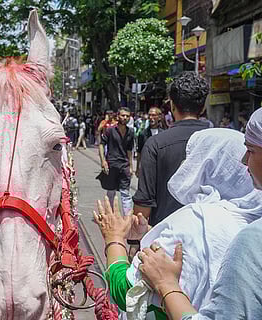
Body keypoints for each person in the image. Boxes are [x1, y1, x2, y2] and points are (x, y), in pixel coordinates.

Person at [94, 128, 262, 320]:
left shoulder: (197, 220)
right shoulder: (254, 223)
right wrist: (148, 234)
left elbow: (126, 293)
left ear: (208, 165)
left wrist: (114, 238)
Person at [137, 108, 262, 320]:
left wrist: (166, 285)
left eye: (250, 150)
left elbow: (129, 288)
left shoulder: (252, 239)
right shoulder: (250, 219)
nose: (243, 161)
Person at [133, 72, 210, 227]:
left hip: (165, 237)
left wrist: (134, 241)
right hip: (212, 237)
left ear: (172, 106)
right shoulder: (226, 142)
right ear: (203, 107)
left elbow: (144, 203)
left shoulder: (155, 144)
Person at [97, 107, 134, 214]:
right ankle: (110, 215)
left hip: (124, 166)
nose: (125, 118)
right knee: (111, 192)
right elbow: (101, 144)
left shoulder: (131, 132)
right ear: (118, 116)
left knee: (125, 193)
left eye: (127, 116)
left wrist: (131, 166)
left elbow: (129, 150)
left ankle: (127, 218)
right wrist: (103, 161)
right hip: (112, 164)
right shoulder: (110, 130)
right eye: (123, 115)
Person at [136, 107, 164, 177]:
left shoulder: (164, 134)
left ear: (159, 117)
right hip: (147, 167)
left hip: (160, 167)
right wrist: (137, 168)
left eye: (154, 115)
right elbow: (139, 151)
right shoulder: (142, 134)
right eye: (150, 115)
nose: (151, 117)